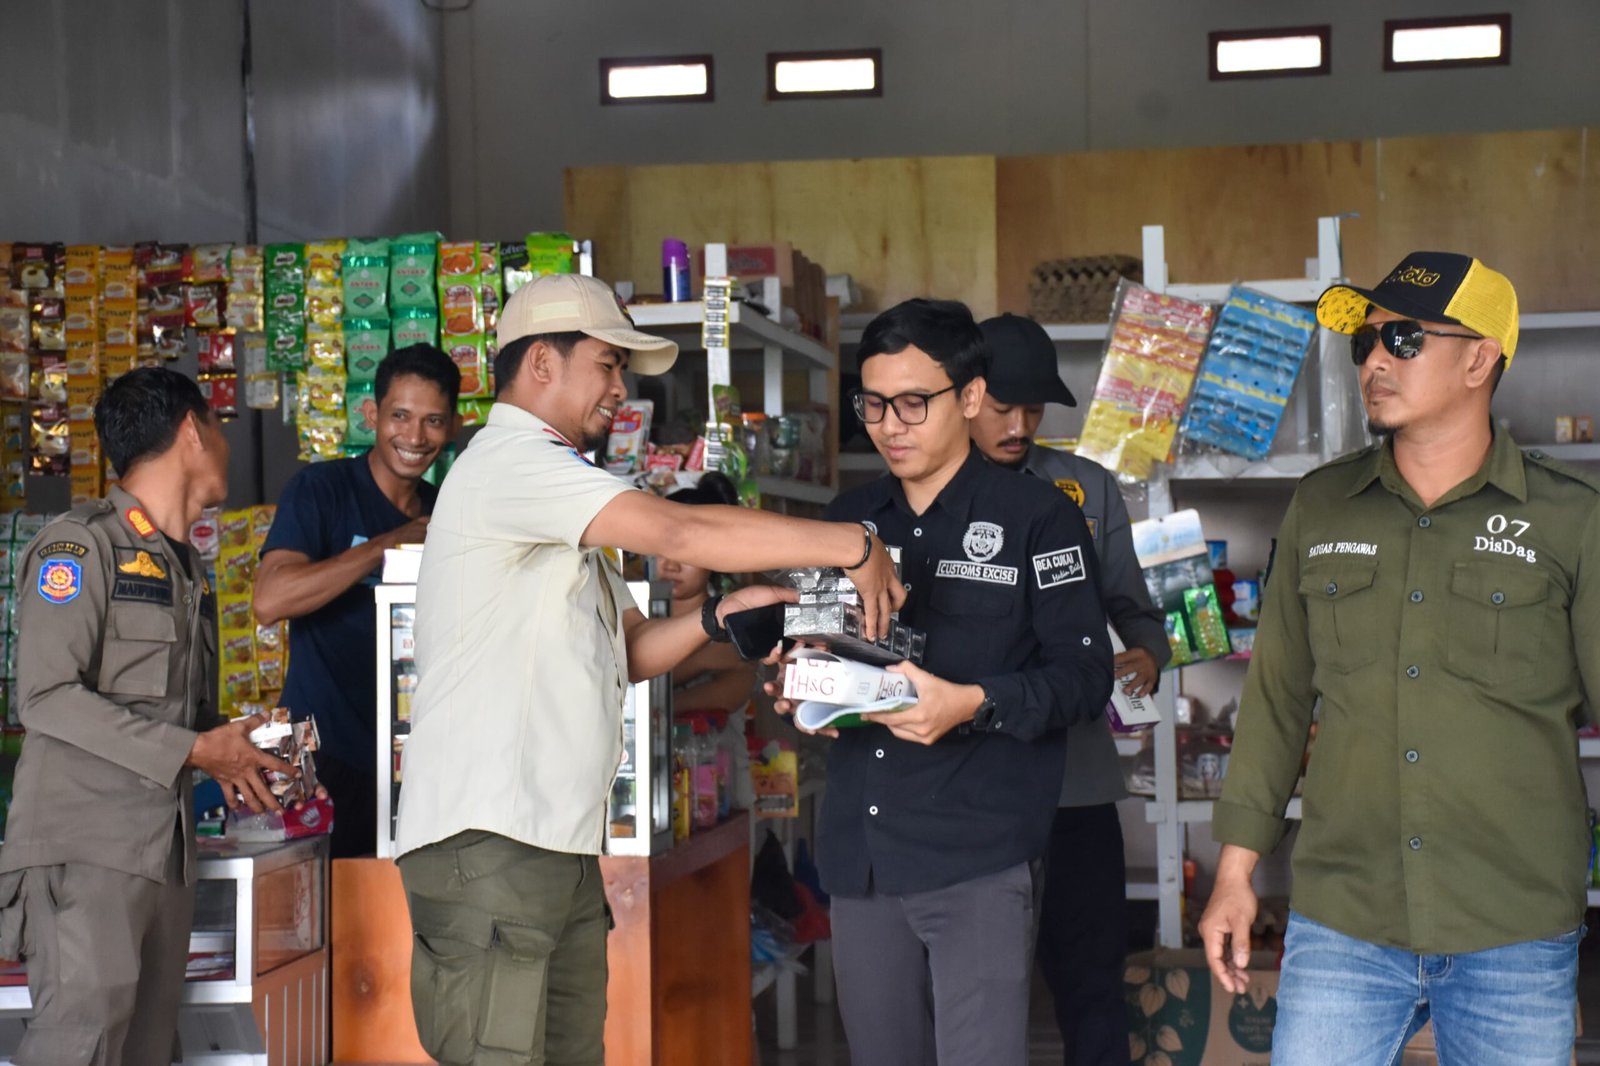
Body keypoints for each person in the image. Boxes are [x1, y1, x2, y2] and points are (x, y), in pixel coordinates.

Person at [393, 272, 905, 1066]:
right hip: (491, 844)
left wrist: (718, 618)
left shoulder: (557, 487)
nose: (619, 389)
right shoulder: (511, 462)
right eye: (607, 364)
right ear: (541, 363)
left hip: (549, 844)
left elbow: (628, 653)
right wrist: (853, 545)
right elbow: (680, 532)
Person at [1198, 252, 1598, 1064]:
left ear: (1480, 359)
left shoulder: (1570, 519)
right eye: (1365, 344)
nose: (1375, 361)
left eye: (1404, 339)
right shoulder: (1321, 505)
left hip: (1514, 923)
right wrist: (1234, 873)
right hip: (1345, 918)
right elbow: (1277, 700)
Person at [775, 298, 1114, 1066]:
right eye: (872, 404)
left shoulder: (1038, 519)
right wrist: (806, 688)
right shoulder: (849, 519)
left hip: (976, 859)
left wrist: (973, 704)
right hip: (862, 859)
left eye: (912, 403)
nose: (889, 425)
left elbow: (1086, 676)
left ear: (969, 396)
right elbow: (824, 652)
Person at [0, 367, 297, 1065]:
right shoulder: (81, 546)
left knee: (147, 1050)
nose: (227, 445)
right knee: (80, 1044)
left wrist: (240, 745)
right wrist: (195, 751)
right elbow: (44, 697)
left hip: (163, 854)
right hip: (87, 850)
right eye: (220, 427)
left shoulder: (185, 568)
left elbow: (180, 718)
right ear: (193, 429)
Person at [971, 313, 1169, 1066]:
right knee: (977, 993)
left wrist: (1149, 651)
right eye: (1004, 408)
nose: (1020, 426)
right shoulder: (928, 491)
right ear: (966, 396)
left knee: (1091, 982)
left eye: (1034, 410)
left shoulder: (1085, 488)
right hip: (970, 787)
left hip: (1077, 783)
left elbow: (1131, 604)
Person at [254, 344, 460, 858]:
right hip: (315, 758)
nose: (415, 437)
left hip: (417, 761)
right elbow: (270, 600)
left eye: (433, 421)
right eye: (400, 416)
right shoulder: (321, 489)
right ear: (371, 415)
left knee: (401, 902)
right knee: (314, 902)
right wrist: (387, 545)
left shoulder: (450, 514)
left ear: (453, 427)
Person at [658, 473, 759, 715]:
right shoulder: (628, 606)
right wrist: (701, 661)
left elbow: (658, 711)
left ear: (716, 557)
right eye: (662, 547)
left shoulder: (732, 629)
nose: (671, 565)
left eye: (689, 554)